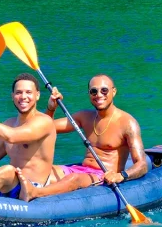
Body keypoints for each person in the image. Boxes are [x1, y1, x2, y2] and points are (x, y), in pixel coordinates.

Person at [16, 74, 149, 201]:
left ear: (113, 92)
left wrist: (121, 176)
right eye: (94, 91)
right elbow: (45, 130)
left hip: (103, 176)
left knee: (74, 178)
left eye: (104, 90)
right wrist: (51, 108)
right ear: (89, 94)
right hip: (82, 170)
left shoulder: (127, 123)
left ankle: (35, 192)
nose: (99, 95)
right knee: (46, 168)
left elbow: (142, 164)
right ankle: (12, 189)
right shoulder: (85, 117)